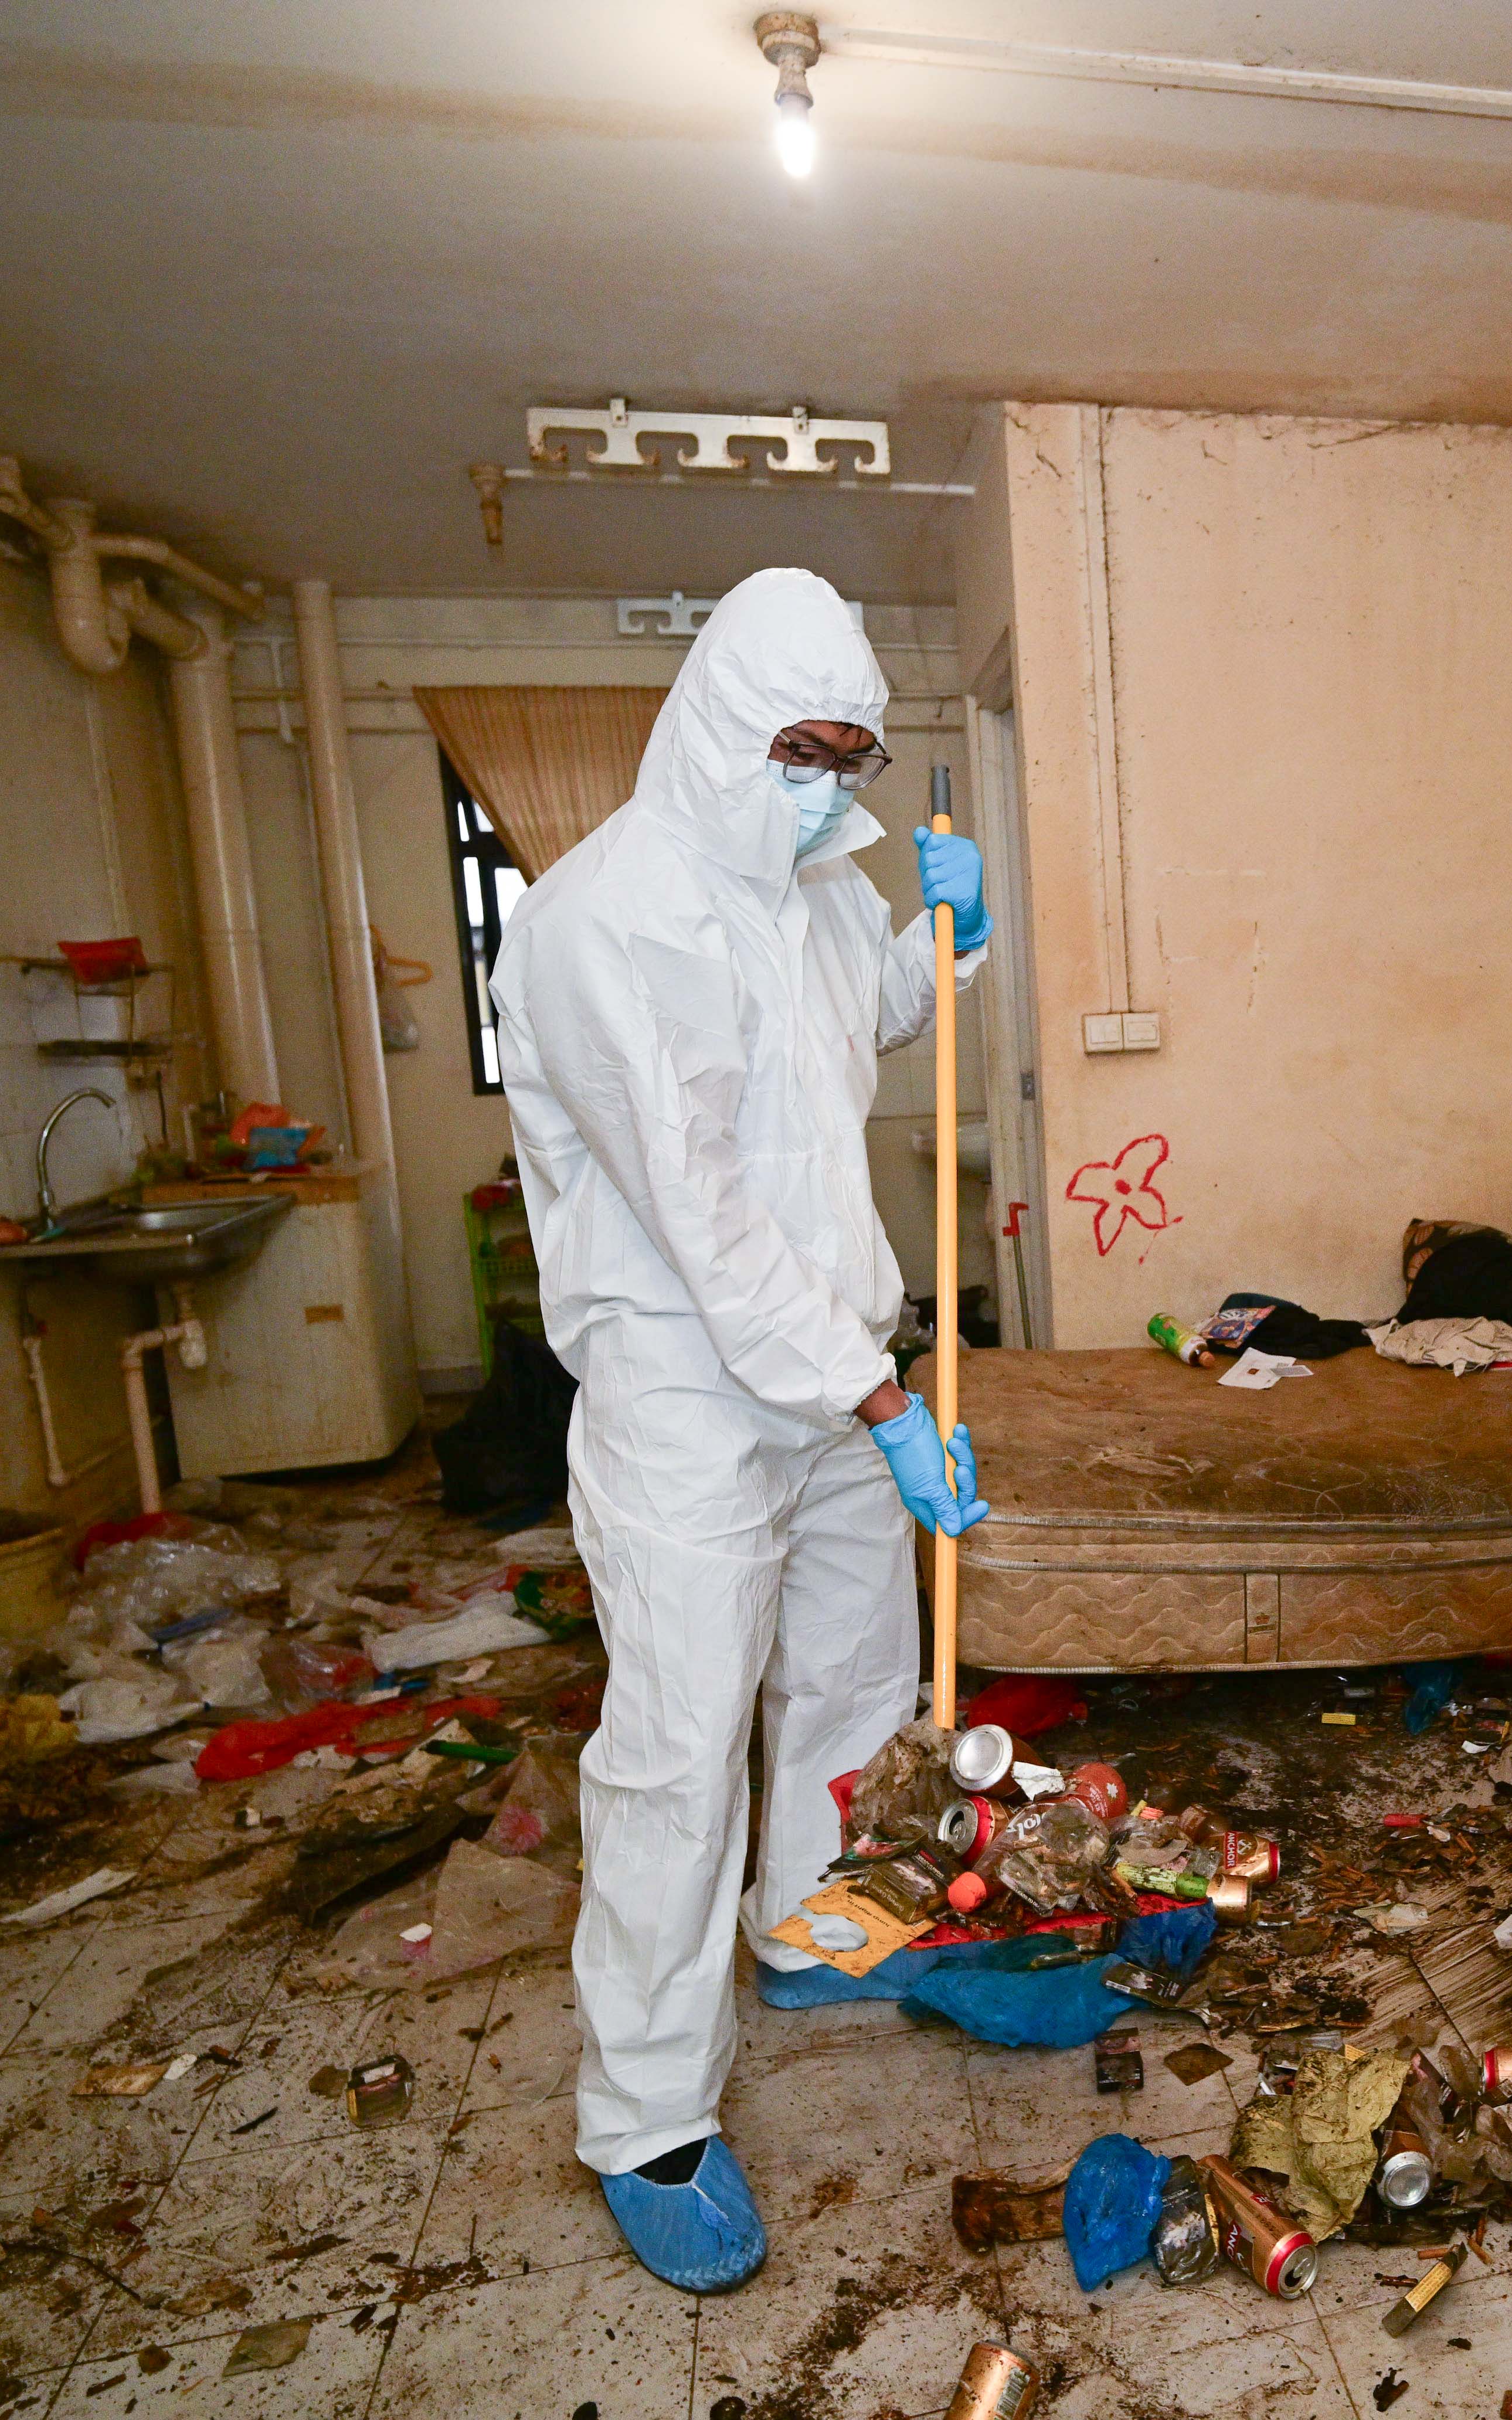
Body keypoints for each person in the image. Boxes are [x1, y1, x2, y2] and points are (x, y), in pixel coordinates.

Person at [491, 566, 994, 2295]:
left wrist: (948, 935)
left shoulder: (813, 885)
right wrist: (881, 1397)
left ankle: (809, 1925)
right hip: (691, 1395)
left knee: (848, 1680)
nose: (829, 784)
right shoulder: (601, 921)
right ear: (713, 726)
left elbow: (877, 1024)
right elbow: (702, 1221)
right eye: (800, 750)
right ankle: (643, 2114)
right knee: (680, 1745)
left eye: (852, 756)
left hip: (837, 1357)